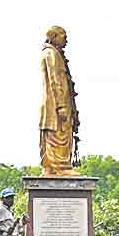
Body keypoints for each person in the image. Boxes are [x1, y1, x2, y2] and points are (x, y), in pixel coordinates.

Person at [39, 25, 79, 175]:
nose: (66, 40)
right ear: (54, 37)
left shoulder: (55, 54)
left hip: (60, 104)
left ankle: (56, 167)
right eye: (64, 37)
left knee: (61, 134)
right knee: (58, 135)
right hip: (56, 106)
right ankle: (59, 166)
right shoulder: (51, 54)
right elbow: (55, 80)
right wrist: (61, 106)